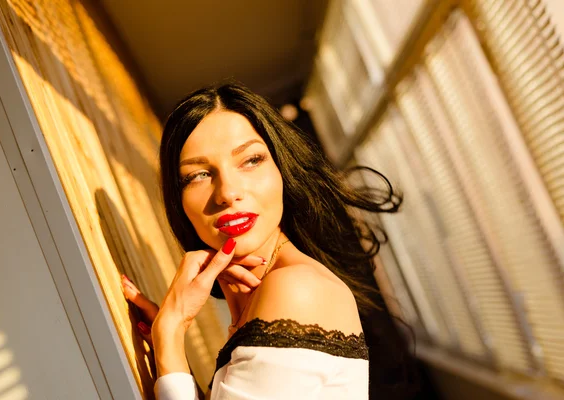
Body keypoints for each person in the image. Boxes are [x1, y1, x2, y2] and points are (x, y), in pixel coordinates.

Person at [121, 83, 417, 399]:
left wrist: (169, 332)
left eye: (251, 160)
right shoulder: (267, 292)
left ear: (281, 168)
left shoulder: (295, 289)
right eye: (198, 175)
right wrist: (171, 348)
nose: (227, 192)